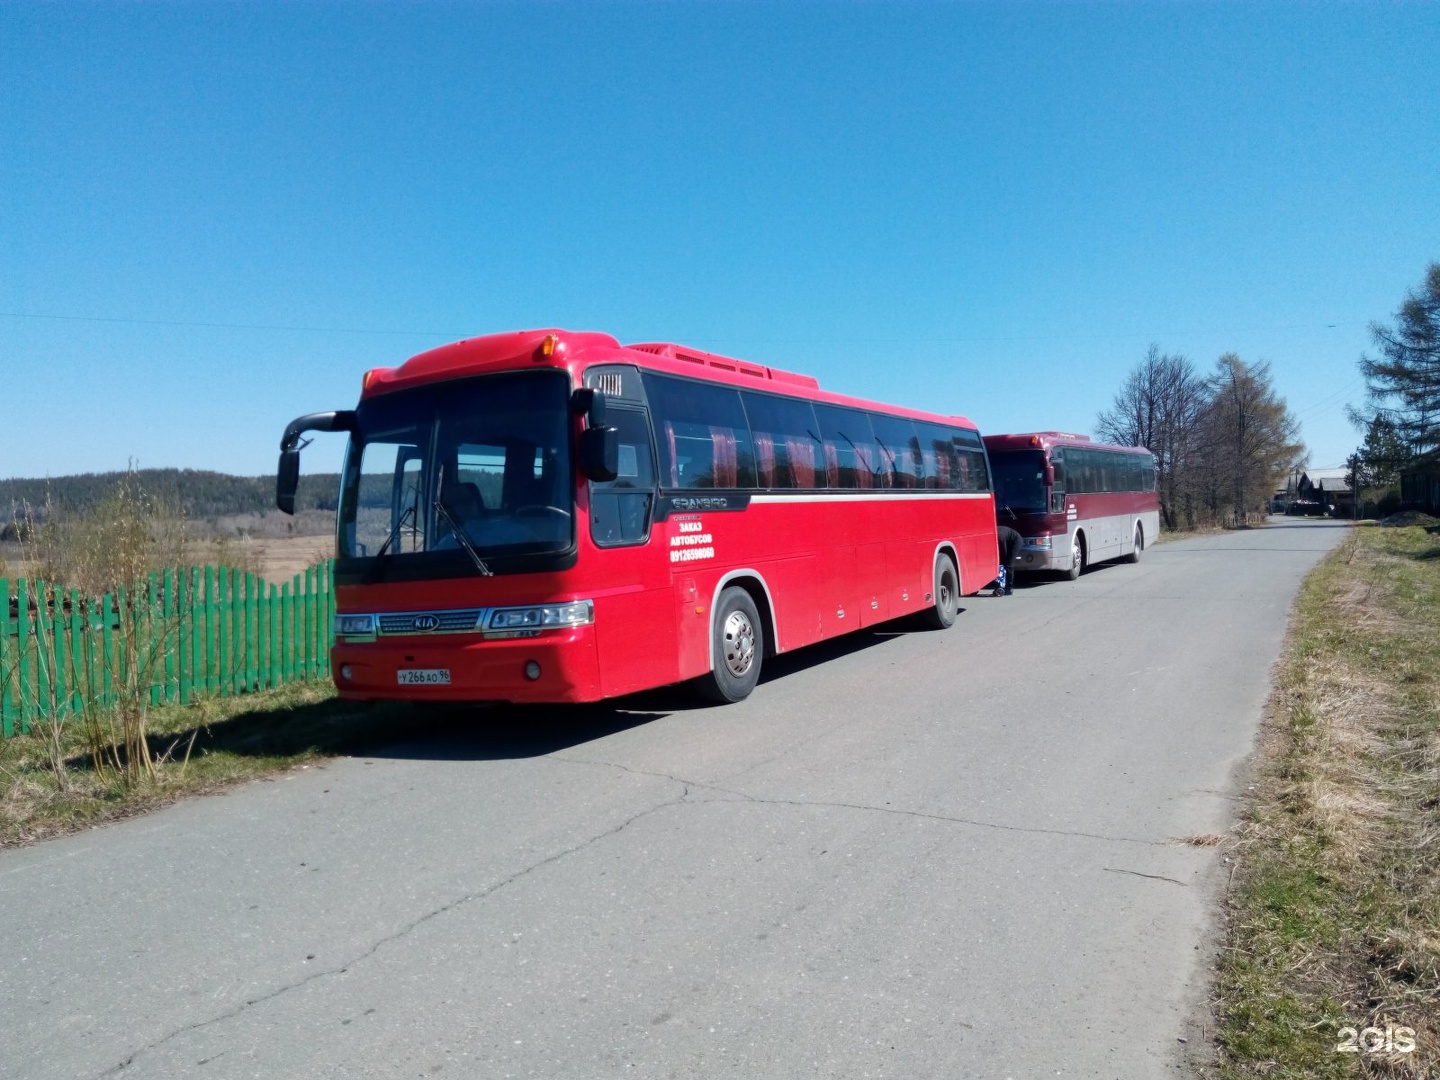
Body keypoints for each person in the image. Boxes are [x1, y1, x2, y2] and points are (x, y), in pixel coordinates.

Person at [993, 525, 1022, 596]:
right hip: (1007, 539)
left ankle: (1009, 587)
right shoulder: (993, 535)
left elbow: (1004, 553)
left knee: (1008, 564)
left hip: (1015, 541)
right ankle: (999, 586)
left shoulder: (1000, 537)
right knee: (998, 564)